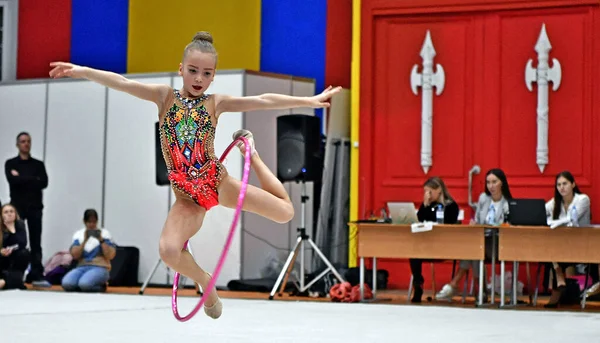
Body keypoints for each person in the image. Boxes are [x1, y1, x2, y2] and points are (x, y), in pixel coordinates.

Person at [49, 31, 340, 319]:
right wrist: (82, 70)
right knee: (167, 250)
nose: (198, 79)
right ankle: (206, 282)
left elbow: (262, 99)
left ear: (213, 76)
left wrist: (311, 101)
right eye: (192, 71)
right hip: (187, 197)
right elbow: (122, 82)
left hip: (217, 183)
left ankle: (253, 155)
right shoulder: (164, 98)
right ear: (181, 69)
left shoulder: (216, 103)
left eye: (206, 73)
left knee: (285, 213)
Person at [435, 168, 512, 301]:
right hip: (480, 241)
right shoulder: (483, 198)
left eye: (494, 182)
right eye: (488, 182)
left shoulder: (508, 203)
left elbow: (507, 226)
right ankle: (479, 290)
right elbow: (477, 220)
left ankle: (457, 284)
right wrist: (474, 224)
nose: (491, 186)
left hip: (498, 244)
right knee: (475, 248)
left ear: (502, 183)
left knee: (474, 248)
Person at [4, 132, 50, 287]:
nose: (26, 144)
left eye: (28, 141)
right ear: (17, 144)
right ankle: (15, 272)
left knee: (36, 242)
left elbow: (43, 182)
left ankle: (36, 273)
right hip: (18, 208)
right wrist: (32, 179)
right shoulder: (10, 163)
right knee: (16, 240)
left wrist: (21, 178)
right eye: (23, 141)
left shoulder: (38, 164)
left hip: (35, 207)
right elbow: (12, 181)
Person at [544, 170, 591, 308]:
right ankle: (558, 273)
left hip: (581, 243)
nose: (562, 187)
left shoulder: (583, 199)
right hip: (561, 245)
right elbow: (542, 212)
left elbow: (571, 219)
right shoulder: (554, 202)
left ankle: (558, 282)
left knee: (552, 248)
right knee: (546, 245)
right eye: (558, 185)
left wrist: (554, 223)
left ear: (573, 184)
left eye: (565, 184)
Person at [409, 176, 459, 303]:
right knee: (413, 252)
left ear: (439, 190)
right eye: (425, 192)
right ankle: (418, 284)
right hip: (426, 245)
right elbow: (419, 220)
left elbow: (449, 222)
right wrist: (425, 205)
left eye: (430, 191)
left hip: (445, 244)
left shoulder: (451, 206)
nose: (427, 195)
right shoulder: (426, 205)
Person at [62, 209, 116, 292]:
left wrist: (101, 240)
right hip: (82, 266)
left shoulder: (105, 234)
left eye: (94, 222)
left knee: (85, 284)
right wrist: (84, 240)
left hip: (100, 267)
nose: (92, 225)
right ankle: (83, 287)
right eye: (89, 222)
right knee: (67, 283)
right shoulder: (79, 235)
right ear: (84, 221)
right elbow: (75, 256)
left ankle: (100, 286)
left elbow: (110, 255)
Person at [0, 204, 30, 290]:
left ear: (15, 214)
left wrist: (11, 230)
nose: (9, 214)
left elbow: (22, 243)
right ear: (1, 215)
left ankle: (4, 282)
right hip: (2, 260)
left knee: (24, 253)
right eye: (6, 212)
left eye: (11, 211)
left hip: (15, 260)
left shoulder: (20, 224)